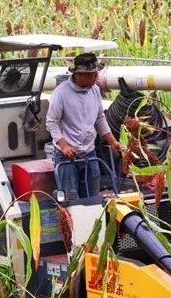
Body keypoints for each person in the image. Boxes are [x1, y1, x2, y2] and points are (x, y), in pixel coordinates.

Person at [46, 52, 121, 199]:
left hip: (89, 152)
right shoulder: (61, 93)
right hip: (66, 155)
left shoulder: (95, 91)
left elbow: (100, 118)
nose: (96, 77)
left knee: (92, 196)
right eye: (93, 74)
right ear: (80, 74)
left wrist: (113, 142)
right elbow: (51, 122)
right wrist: (64, 146)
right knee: (71, 199)